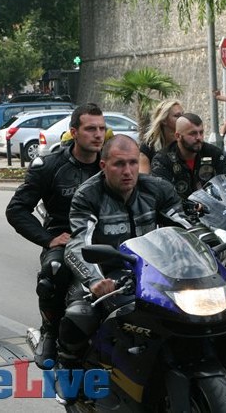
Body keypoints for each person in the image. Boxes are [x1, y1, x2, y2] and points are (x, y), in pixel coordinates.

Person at [61, 135, 190, 364]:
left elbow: (183, 226)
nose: (128, 171)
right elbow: (78, 242)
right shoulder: (88, 194)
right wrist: (94, 280)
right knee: (80, 316)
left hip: (153, 272)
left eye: (132, 162)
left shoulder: (157, 188)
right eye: (119, 164)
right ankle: (69, 372)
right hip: (107, 274)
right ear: (104, 165)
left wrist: (209, 245)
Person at [6, 103, 106, 369]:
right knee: (54, 270)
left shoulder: (113, 162)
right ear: (74, 132)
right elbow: (16, 210)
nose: (98, 135)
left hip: (107, 237)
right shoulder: (49, 165)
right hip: (65, 239)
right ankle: (49, 332)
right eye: (90, 129)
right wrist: (47, 239)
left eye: (102, 129)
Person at [151, 113, 226, 200]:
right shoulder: (162, 160)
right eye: (193, 134)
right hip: (178, 211)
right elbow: (162, 194)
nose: (199, 138)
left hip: (214, 209)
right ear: (178, 136)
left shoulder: (214, 153)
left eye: (201, 132)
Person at [139, 99, 184, 173]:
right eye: (177, 116)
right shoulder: (148, 147)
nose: (182, 119)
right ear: (164, 120)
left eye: (183, 115)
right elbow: (144, 178)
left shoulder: (186, 142)